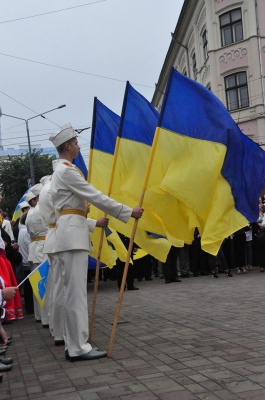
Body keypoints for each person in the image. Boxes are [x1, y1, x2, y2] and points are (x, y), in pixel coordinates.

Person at [49, 123, 144, 362]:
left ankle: (74, 345)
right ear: (68, 146)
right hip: (72, 236)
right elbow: (95, 196)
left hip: (69, 233)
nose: (79, 147)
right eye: (76, 143)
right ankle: (78, 347)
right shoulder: (67, 171)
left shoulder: (61, 171)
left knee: (72, 293)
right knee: (76, 294)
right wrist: (126, 212)